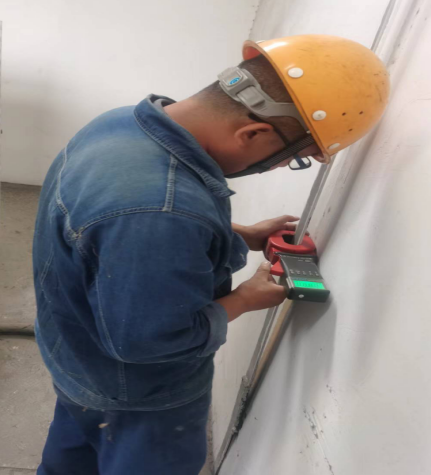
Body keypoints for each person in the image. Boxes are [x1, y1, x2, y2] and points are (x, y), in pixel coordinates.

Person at [33, 35, 389, 475]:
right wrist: (245, 299)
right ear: (253, 133)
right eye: (293, 158)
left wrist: (240, 233)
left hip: (75, 358)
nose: (281, 166)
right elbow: (147, 343)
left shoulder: (121, 124)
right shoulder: (161, 211)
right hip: (139, 399)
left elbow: (109, 231)